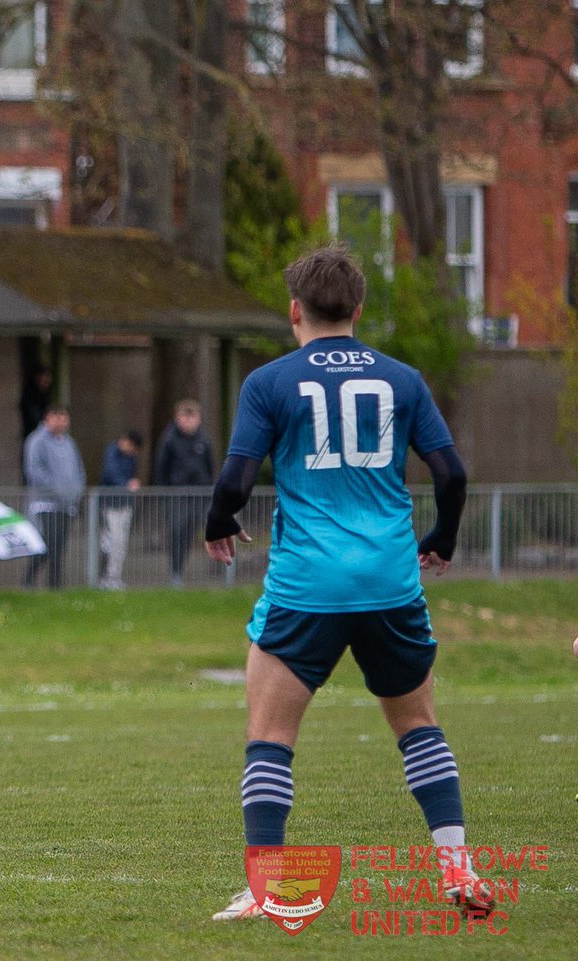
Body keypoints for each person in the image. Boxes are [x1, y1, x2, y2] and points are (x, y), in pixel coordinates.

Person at [202, 245, 483, 921]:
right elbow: (452, 474)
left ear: (295, 310)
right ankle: (457, 866)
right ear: (357, 310)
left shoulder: (270, 382)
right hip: (391, 580)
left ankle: (268, 889)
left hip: (308, 585)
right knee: (418, 724)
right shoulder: (404, 380)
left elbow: (236, 479)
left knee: (270, 733)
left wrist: (219, 520)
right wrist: (441, 538)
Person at [23, 404, 85, 588]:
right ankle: (38, 582)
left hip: (67, 505)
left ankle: (53, 584)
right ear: (47, 418)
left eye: (63, 417)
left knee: (59, 546)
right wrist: (57, 490)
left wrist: (75, 492)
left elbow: (78, 470)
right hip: (46, 504)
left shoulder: (68, 443)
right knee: (49, 546)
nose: (60, 421)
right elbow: (34, 471)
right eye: (56, 417)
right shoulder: (37, 441)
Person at [154, 399, 215, 586]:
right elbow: (160, 468)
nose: (189, 422)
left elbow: (210, 466)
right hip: (177, 494)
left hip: (199, 494)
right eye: (185, 417)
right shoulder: (169, 439)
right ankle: (175, 570)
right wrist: (164, 490)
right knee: (177, 529)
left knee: (190, 532)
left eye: (192, 417)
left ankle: (181, 568)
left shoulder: (203, 440)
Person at [97, 429, 142, 590]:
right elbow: (110, 473)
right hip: (110, 505)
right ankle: (107, 576)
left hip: (125, 504)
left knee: (121, 542)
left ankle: (115, 576)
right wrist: (126, 485)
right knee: (112, 541)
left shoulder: (131, 458)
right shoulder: (112, 453)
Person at [19, 364, 53, 440]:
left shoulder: (45, 394)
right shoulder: (29, 393)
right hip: (32, 429)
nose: (45, 382)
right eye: (43, 379)